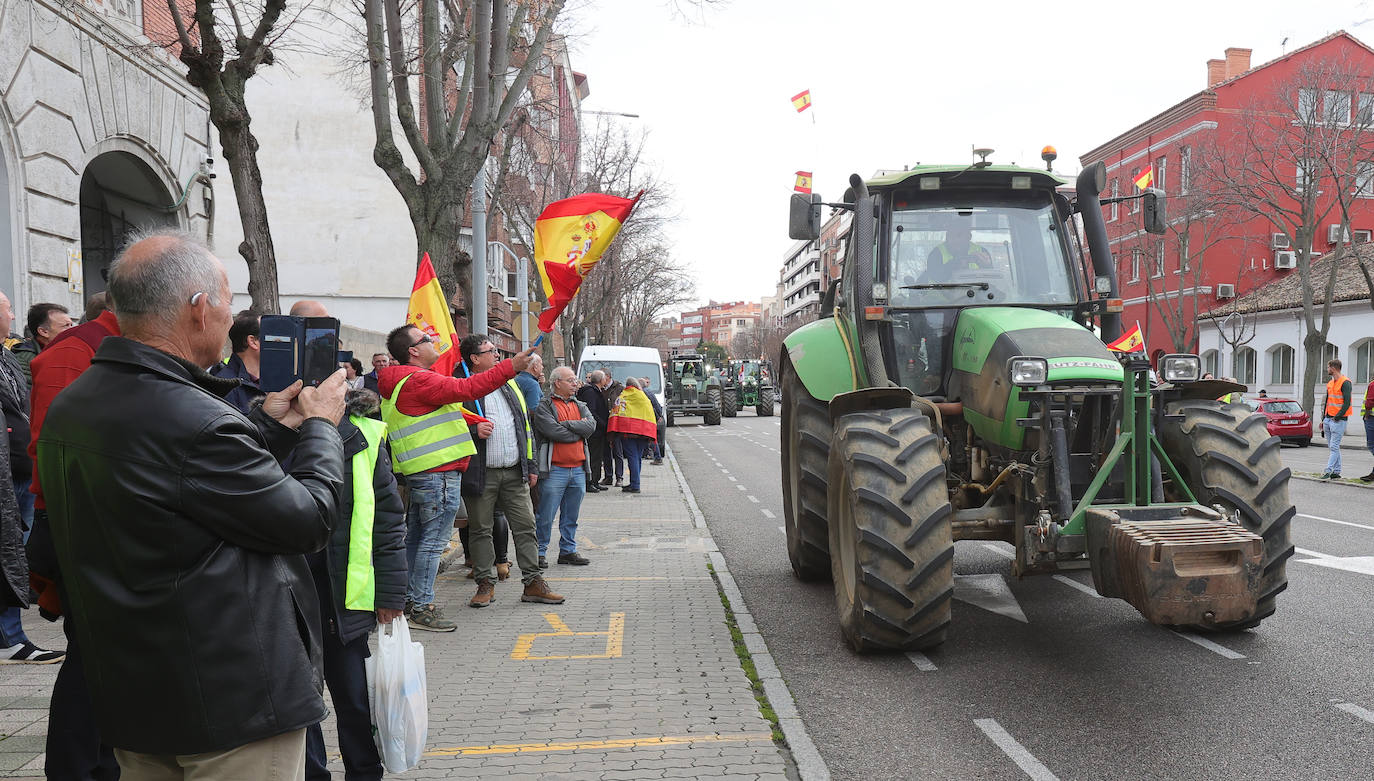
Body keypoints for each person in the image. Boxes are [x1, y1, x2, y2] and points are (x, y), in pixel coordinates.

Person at [38, 229, 349, 777]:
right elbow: (308, 521)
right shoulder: (194, 419)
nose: (233, 319)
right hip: (230, 703)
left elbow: (185, 491)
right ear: (201, 309)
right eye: (229, 303)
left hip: (138, 695)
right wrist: (322, 428)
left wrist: (266, 427)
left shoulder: (76, 403)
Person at [376, 325, 530, 631]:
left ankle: (408, 599)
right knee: (432, 544)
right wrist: (511, 367)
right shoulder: (419, 378)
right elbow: (467, 390)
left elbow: (447, 407)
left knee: (419, 540)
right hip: (438, 473)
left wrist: (473, 419)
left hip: (423, 472)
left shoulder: (400, 380)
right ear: (413, 351)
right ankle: (422, 606)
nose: (436, 343)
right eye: (427, 340)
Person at [27, 285, 120, 778]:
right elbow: (53, 450)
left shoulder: (99, 348)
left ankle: (102, 763)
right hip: (79, 525)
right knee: (92, 659)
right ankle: (77, 768)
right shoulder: (74, 351)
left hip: (100, 523)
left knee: (105, 658)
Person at [303, 388, 406, 781]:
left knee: (356, 704)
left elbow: (388, 522)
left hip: (344, 603)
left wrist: (391, 594)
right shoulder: (267, 431)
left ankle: (364, 774)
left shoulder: (362, 436)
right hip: (286, 600)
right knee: (302, 711)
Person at [459, 333, 564, 608]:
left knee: (526, 527)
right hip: (482, 473)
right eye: (491, 351)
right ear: (474, 359)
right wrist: (472, 430)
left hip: (514, 472)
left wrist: (530, 466)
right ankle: (485, 583)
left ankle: (533, 582)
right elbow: (448, 425)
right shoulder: (463, 388)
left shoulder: (511, 385)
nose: (497, 355)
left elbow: (525, 429)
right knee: (481, 529)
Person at [0, 291, 60, 665]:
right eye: (6, 308)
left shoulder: (6, 355)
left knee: (13, 554)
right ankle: (12, 638)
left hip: (17, 471)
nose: (11, 314)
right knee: (9, 553)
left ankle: (11, 636)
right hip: (6, 474)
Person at [532, 366, 595, 567]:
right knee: (545, 516)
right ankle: (539, 553)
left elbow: (591, 426)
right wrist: (578, 429)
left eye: (575, 380)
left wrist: (566, 424)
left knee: (571, 516)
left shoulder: (581, 405)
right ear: (557, 382)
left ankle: (568, 551)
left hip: (577, 469)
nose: (575, 384)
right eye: (570, 380)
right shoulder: (544, 405)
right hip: (554, 470)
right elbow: (553, 432)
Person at [209, 309, 265, 414]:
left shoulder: (275, 379)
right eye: (270, 336)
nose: (278, 341)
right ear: (253, 342)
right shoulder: (224, 387)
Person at [608, 377, 658, 494]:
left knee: (632, 457)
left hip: (628, 432)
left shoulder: (623, 396)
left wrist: (613, 430)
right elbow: (650, 413)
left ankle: (635, 485)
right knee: (638, 457)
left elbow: (616, 412)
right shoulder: (643, 397)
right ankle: (635, 482)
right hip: (643, 432)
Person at [12, 302, 73, 388]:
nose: (73, 330)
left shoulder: (72, 352)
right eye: (66, 326)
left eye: (71, 325)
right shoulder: (24, 361)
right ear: (43, 331)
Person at [577, 370, 611, 492]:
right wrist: (603, 424)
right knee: (593, 457)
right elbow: (591, 411)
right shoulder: (591, 392)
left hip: (598, 430)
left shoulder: (595, 391)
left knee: (597, 457)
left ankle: (595, 481)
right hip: (594, 431)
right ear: (601, 380)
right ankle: (589, 482)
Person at [1321, 358, 1353, 480]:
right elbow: (1327, 402)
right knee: (1333, 447)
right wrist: (1323, 419)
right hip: (1328, 419)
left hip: (1338, 420)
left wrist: (1337, 417)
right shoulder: (1330, 383)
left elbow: (1346, 403)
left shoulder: (1345, 382)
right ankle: (1337, 471)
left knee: (1334, 447)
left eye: (1328, 367)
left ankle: (1328, 471)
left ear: (1333, 368)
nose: (1327, 369)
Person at [926, 223, 991, 275]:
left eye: (959, 235)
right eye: (950, 235)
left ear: (969, 236)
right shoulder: (936, 253)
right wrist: (955, 264)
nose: (955, 239)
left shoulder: (982, 252)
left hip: (977, 291)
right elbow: (935, 277)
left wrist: (986, 266)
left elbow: (991, 280)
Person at [641, 377, 665, 465]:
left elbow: (653, 406)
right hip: (652, 418)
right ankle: (649, 454)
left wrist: (658, 416)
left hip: (648, 418)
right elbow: (657, 405)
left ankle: (657, 458)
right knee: (649, 438)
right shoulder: (649, 392)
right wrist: (659, 416)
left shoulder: (643, 393)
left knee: (651, 438)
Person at [1361, 375, 1374, 483]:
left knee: (1371, 445)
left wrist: (1366, 414)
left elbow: (1369, 402)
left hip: (1371, 419)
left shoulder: (1372, 384)